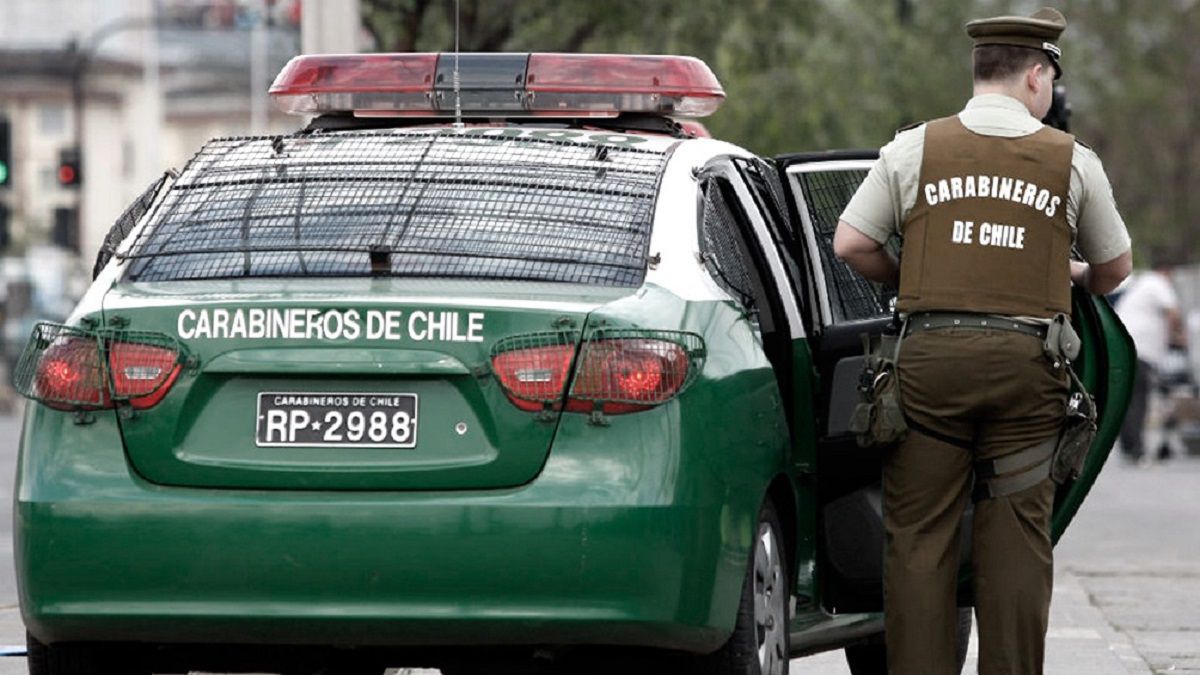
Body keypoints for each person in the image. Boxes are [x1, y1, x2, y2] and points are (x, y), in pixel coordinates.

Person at [831, 7, 1133, 675]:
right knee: (1018, 539)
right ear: (1036, 76)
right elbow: (1115, 269)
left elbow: (850, 242)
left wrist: (911, 274)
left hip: (929, 369)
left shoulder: (913, 147)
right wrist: (1072, 274)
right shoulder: (1071, 160)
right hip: (1028, 370)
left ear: (979, 72)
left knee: (919, 538)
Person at [1114, 253, 1185, 463]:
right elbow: (1173, 312)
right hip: (1139, 350)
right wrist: (1179, 336)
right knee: (1138, 399)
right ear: (1166, 271)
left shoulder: (1140, 284)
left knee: (1127, 398)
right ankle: (1136, 449)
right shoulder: (1157, 282)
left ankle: (1129, 447)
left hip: (1123, 346)